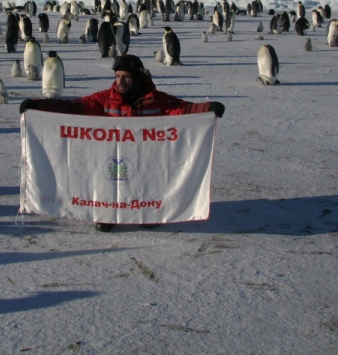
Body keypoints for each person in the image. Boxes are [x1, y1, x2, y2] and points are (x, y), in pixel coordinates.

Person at [20, 53, 224, 232]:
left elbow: (184, 110)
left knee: (144, 183)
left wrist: (208, 108)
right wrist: (39, 105)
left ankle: (147, 213)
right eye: (118, 77)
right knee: (109, 183)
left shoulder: (157, 100)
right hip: (112, 155)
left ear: (138, 77)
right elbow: (75, 106)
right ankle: (106, 215)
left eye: (126, 77)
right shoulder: (106, 99)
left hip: (145, 157)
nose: (121, 82)